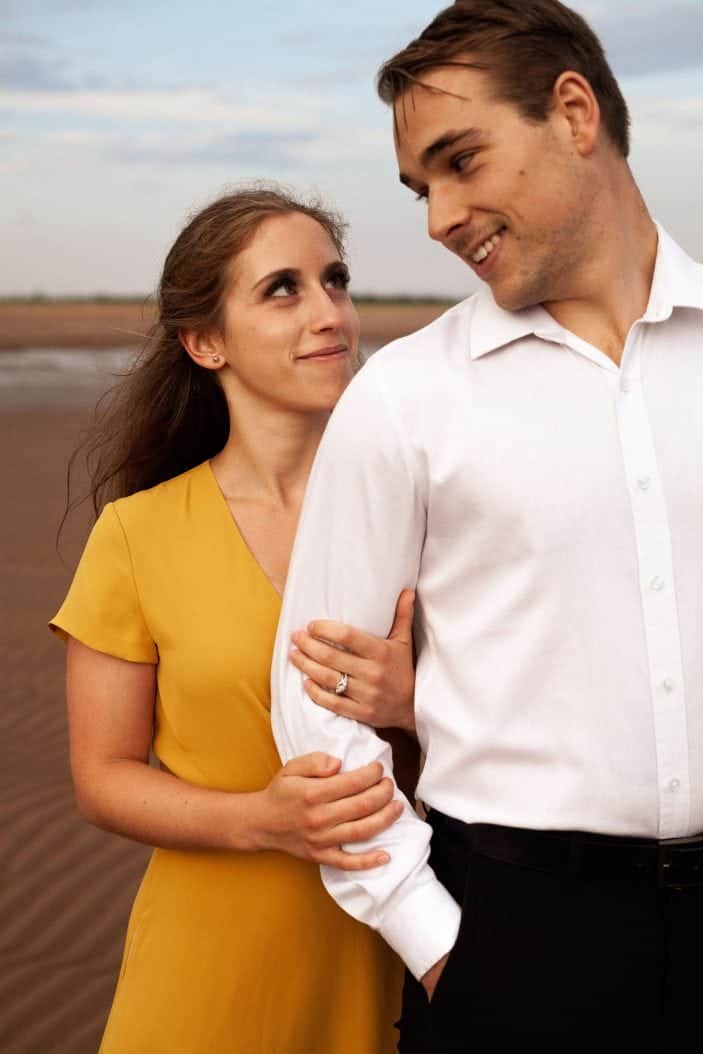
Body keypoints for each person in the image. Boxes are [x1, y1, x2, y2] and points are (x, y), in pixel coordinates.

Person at [271, 2, 703, 1050]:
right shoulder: (404, 397)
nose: (437, 217)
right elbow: (313, 703)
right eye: (422, 187)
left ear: (571, 110)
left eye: (460, 161)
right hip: (515, 940)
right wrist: (438, 941)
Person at [50, 186, 420, 1053]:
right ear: (203, 341)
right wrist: (262, 819)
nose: (328, 312)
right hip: (205, 967)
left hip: (396, 945)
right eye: (282, 289)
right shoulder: (136, 535)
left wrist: (411, 703)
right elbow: (101, 776)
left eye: (335, 280)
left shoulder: (417, 511)